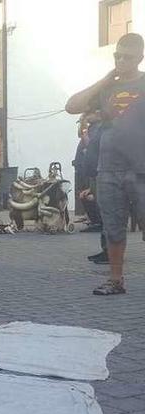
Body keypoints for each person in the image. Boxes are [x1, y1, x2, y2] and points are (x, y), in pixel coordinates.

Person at [66, 32, 145, 295]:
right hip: (108, 169)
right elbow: (71, 106)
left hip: (141, 168)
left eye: (128, 57)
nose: (121, 60)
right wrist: (106, 80)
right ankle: (115, 280)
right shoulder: (107, 87)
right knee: (113, 227)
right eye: (117, 55)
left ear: (140, 57)